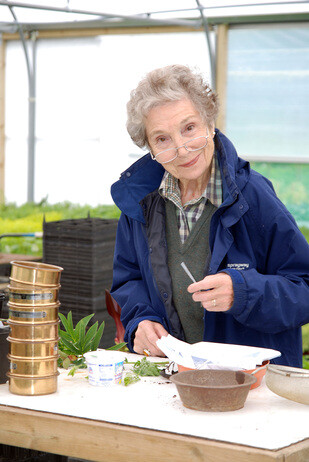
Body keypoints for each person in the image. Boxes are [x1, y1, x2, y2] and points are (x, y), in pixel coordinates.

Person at [110, 64, 309, 367]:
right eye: (162, 139)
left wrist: (244, 292)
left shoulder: (254, 198)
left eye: (189, 128)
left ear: (209, 122)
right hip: (176, 380)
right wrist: (141, 320)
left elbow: (303, 288)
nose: (181, 148)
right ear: (149, 147)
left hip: (252, 388)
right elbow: (130, 280)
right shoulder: (140, 204)